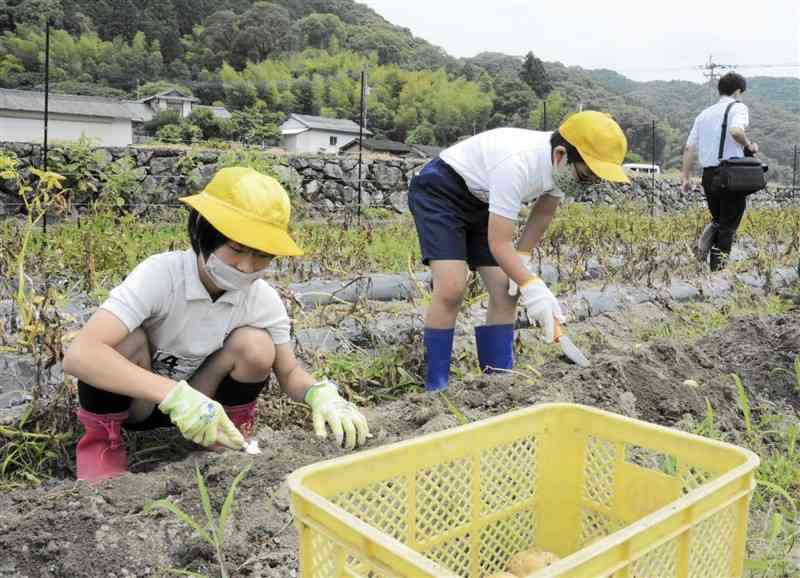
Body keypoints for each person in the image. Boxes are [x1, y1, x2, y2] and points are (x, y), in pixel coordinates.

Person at [63, 167, 370, 483]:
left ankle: (228, 436)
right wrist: (173, 395)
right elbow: (80, 354)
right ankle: (103, 445)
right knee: (121, 340)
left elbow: (288, 372)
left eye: (262, 256)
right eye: (236, 248)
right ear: (203, 231)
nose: (247, 266)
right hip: (137, 402)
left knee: (256, 345)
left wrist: (320, 394)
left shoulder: (260, 300)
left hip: (205, 406)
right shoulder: (161, 275)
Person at [407, 111, 629, 392]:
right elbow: (499, 244)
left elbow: (543, 212)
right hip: (441, 192)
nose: (588, 185)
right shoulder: (517, 164)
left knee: (505, 291)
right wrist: (532, 284)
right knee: (452, 287)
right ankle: (435, 386)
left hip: (482, 199)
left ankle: (497, 381)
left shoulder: (560, 167)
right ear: (561, 155)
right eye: (586, 176)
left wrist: (522, 258)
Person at [681, 72, 758, 271]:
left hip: (708, 175)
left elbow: (689, 148)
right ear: (738, 91)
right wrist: (749, 146)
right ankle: (717, 272)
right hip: (731, 174)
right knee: (727, 226)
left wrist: (686, 178)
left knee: (719, 220)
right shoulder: (738, 107)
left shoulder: (704, 114)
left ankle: (704, 249)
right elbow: (736, 131)